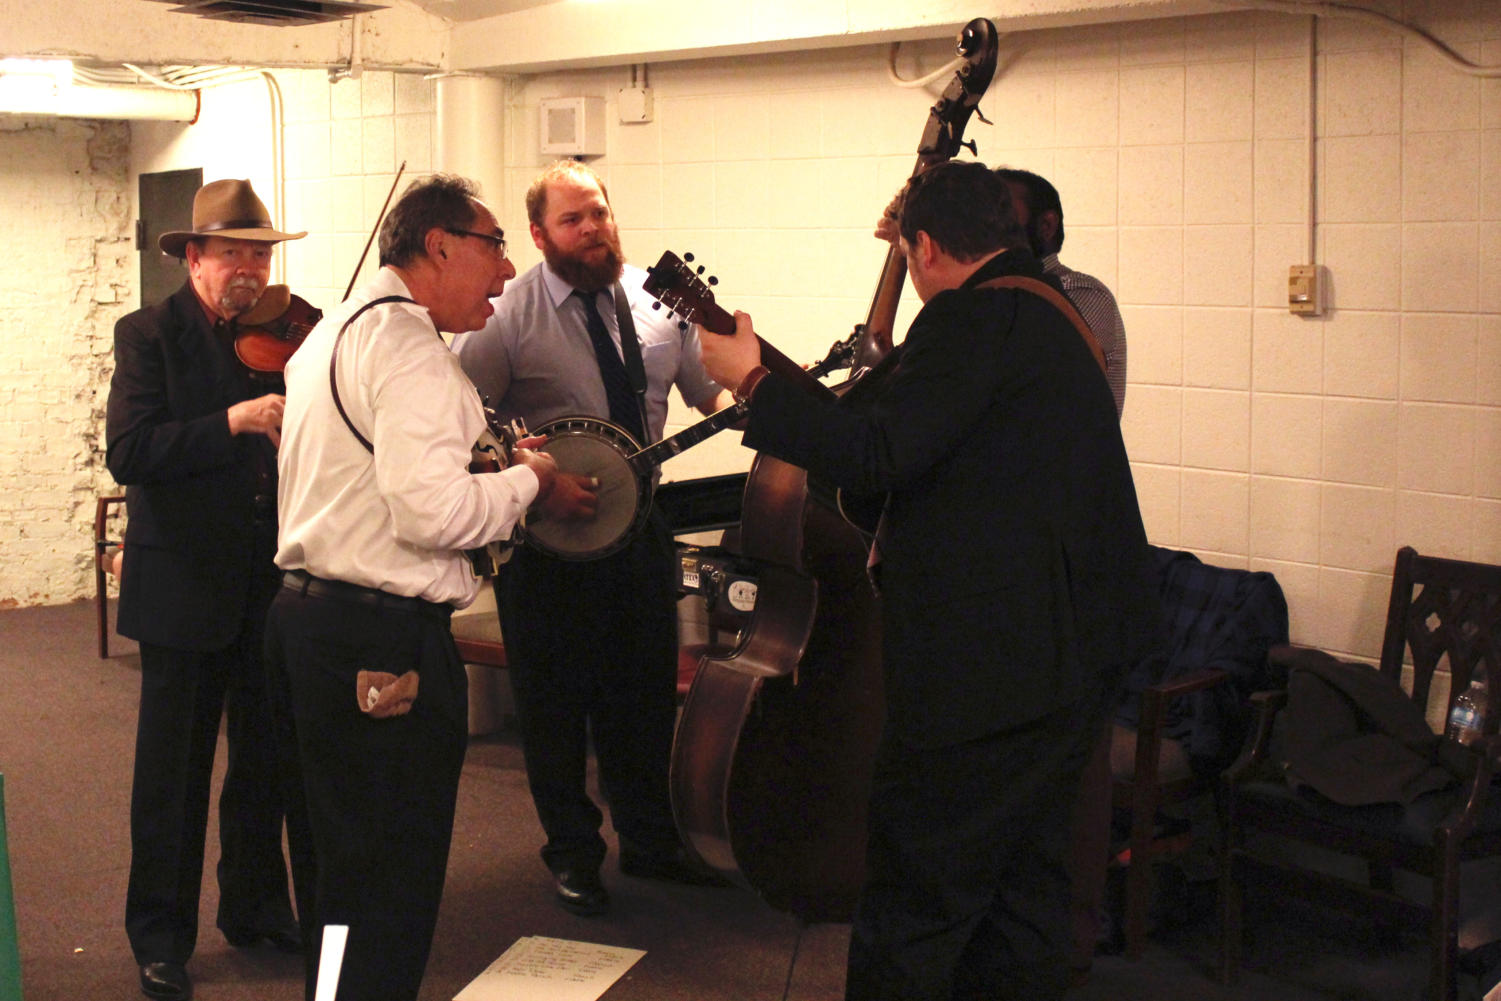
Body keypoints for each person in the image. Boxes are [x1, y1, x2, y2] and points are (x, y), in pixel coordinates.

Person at [698, 159, 1158, 1001]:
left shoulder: (966, 319)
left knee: (919, 888)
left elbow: (876, 452)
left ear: (923, 247)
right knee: (1026, 890)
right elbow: (905, 444)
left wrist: (754, 381)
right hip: (1074, 655)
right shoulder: (1050, 314)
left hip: (989, 672)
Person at [264, 173, 561, 1001]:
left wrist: (487, 466)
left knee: (332, 865)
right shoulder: (411, 352)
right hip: (380, 642)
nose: (505, 274)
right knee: (389, 877)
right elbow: (429, 511)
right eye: (495, 247)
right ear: (439, 246)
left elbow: (379, 477)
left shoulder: (333, 331)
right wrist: (527, 480)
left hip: (304, 625)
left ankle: (328, 995)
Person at [455, 159, 733, 916]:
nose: (592, 229)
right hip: (547, 541)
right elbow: (464, 414)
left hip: (641, 529)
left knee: (641, 694)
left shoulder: (658, 300)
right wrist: (532, 469)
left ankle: (650, 840)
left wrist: (767, 381)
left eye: (600, 213)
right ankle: (573, 853)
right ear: (541, 234)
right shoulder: (507, 311)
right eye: (573, 219)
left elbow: (709, 392)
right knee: (552, 704)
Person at [105, 178, 305, 1001]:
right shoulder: (148, 335)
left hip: (269, 582)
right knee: (174, 775)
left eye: (261, 253)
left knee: (265, 761)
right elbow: (132, 449)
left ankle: (254, 905)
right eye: (233, 253)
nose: (250, 270)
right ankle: (159, 936)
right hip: (184, 581)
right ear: (194, 258)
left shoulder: (289, 333)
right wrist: (235, 420)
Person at [993, 166, 1127, 417]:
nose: (984, 227)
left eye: (1001, 214)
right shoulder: (989, 296)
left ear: (1046, 225)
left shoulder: (1081, 293)